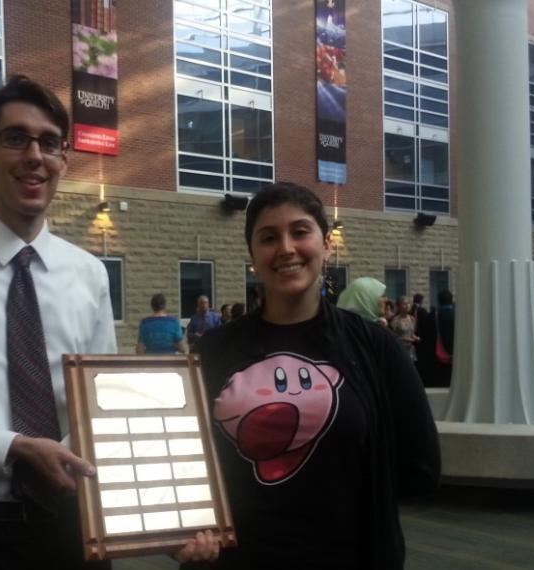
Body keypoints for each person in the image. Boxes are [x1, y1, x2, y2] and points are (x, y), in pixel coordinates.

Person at [0, 76, 218, 569]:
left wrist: (166, 517)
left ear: (63, 161)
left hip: (73, 529)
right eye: (16, 139)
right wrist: (12, 448)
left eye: (50, 143)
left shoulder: (89, 273)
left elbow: (102, 410)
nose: (35, 156)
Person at [190, 183, 440, 569]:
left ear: (326, 245)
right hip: (240, 560)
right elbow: (185, 458)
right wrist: (183, 528)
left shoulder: (375, 348)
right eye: (269, 237)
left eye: (300, 231)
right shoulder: (211, 352)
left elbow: (420, 467)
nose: (286, 248)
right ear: (253, 257)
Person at [415, 289, 455, 388]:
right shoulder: (457, 316)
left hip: (434, 358)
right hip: (453, 358)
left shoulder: (430, 317)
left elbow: (423, 337)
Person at [389, 296, 419, 361]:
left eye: (408, 303)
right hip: (400, 349)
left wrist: (415, 337)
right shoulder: (395, 320)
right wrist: (404, 339)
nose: (407, 306)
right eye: (404, 304)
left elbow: (412, 333)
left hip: (410, 349)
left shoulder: (412, 319)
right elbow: (392, 337)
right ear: (399, 306)